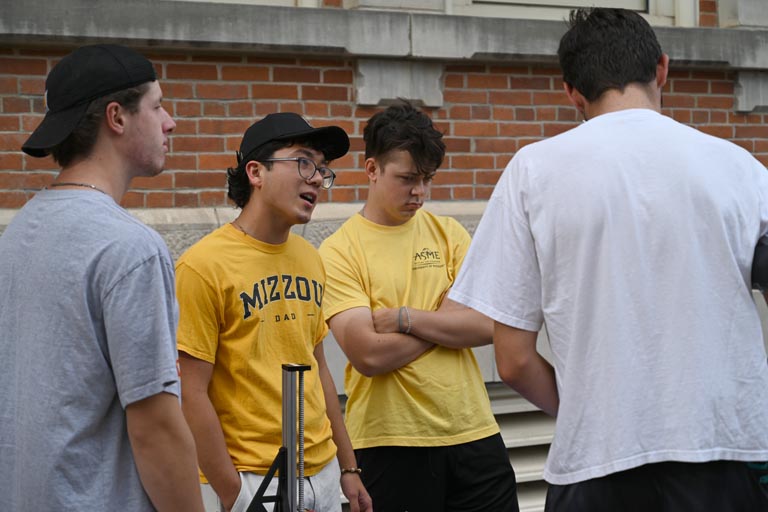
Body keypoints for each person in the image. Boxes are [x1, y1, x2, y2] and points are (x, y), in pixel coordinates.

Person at [449, 7, 768, 512]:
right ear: (662, 68)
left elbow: (511, 360)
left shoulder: (533, 171)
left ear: (572, 92)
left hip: (595, 464)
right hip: (725, 455)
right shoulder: (741, 169)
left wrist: (584, 409)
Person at [0, 45, 203, 511]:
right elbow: (156, 428)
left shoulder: (19, 233)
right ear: (117, 117)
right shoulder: (130, 248)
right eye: (156, 106)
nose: (169, 121)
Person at [318, 102, 518, 512]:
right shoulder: (340, 250)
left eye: (427, 179)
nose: (420, 193)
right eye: (407, 179)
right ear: (372, 169)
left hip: (473, 430)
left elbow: (490, 325)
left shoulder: (450, 234)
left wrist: (405, 319)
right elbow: (369, 354)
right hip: (389, 440)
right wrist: (445, 321)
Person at [175, 112, 372, 512]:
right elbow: (189, 392)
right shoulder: (202, 266)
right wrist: (233, 492)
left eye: (322, 169)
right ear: (255, 172)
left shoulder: (310, 258)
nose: (317, 178)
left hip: (323, 473)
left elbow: (317, 366)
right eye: (303, 162)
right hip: (252, 479)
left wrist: (348, 467)